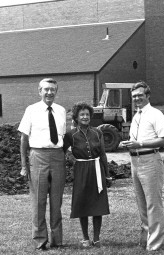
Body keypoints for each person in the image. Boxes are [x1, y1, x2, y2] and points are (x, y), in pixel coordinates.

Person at [18, 78, 66, 250]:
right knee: (38, 201)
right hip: (38, 156)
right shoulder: (31, 110)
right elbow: (23, 139)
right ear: (39, 91)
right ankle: (40, 240)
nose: (49, 92)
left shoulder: (61, 110)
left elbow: (62, 137)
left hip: (58, 157)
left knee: (56, 201)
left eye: (53, 89)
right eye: (46, 89)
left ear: (56, 91)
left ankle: (57, 240)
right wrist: (24, 166)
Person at [121, 81, 164, 252]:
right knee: (142, 203)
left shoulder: (155, 114)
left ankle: (155, 244)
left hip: (150, 161)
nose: (137, 98)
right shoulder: (136, 116)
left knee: (153, 203)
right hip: (135, 161)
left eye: (140, 95)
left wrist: (139, 143)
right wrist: (129, 144)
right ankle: (147, 238)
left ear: (148, 96)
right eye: (134, 96)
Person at [63, 102, 111, 248]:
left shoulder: (97, 132)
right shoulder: (71, 134)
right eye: (82, 114)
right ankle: (85, 238)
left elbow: (102, 153)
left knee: (98, 204)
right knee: (82, 203)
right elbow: (63, 151)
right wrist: (73, 161)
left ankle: (96, 238)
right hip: (81, 170)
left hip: (97, 169)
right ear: (76, 117)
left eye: (87, 114)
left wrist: (107, 174)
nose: (85, 117)